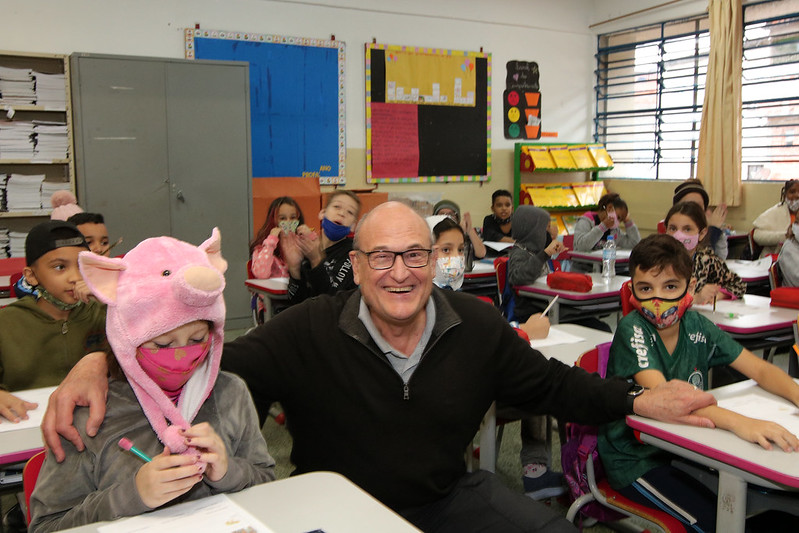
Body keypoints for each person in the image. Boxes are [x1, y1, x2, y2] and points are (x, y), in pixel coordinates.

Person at [44, 202, 717, 533]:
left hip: (448, 498)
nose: (401, 272)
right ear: (356, 265)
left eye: (416, 255)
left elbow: (555, 386)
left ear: (437, 259)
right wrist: (101, 358)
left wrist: (633, 400)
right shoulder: (307, 328)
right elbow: (208, 359)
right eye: (382, 257)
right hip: (339, 510)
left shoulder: (475, 325)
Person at [30, 229, 275, 532]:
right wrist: (132, 495)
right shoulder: (90, 410)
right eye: (162, 345)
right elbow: (46, 525)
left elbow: (268, 482)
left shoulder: (230, 392)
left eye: (198, 338)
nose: (181, 356)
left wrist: (229, 472)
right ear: (127, 339)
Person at [599, 234, 799, 531]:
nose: (658, 299)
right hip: (635, 460)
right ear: (631, 292)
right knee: (712, 521)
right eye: (645, 288)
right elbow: (669, 397)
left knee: (754, 504)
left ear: (689, 287)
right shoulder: (632, 329)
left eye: (670, 286)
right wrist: (742, 423)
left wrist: (796, 394)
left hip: (684, 451)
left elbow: (760, 369)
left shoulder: (698, 326)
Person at [0, 220, 106, 423]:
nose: (75, 277)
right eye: (60, 267)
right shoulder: (6, 323)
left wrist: (113, 301)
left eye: (82, 266)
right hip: (26, 427)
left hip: (95, 423)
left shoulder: (103, 313)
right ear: (31, 276)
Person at [284, 190, 361, 304]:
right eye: (337, 206)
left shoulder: (353, 254)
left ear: (353, 226)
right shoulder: (307, 246)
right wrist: (294, 269)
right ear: (322, 213)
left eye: (350, 212)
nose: (342, 213)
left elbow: (332, 301)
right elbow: (295, 302)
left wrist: (316, 260)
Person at [665, 201, 745, 305]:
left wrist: (719, 294)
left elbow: (738, 285)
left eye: (687, 229)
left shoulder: (706, 259)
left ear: (702, 233)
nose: (678, 235)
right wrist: (695, 298)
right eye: (673, 228)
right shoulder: (657, 260)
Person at [507, 205, 566, 323]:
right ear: (533, 230)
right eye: (546, 228)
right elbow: (518, 277)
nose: (549, 232)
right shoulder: (519, 252)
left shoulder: (536, 250)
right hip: (531, 312)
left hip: (548, 304)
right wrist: (545, 254)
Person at [249, 196, 307, 279]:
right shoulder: (263, 247)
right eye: (282, 218)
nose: (288, 222)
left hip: (296, 290)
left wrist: (310, 238)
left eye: (293, 217)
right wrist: (271, 243)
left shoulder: (301, 242)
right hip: (271, 291)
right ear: (273, 220)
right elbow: (261, 274)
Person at [572, 192, 640, 263]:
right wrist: (603, 227)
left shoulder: (614, 231)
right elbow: (581, 247)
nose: (618, 222)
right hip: (583, 267)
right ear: (609, 208)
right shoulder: (586, 221)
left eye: (621, 220)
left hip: (604, 268)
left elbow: (634, 244)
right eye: (618, 217)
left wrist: (628, 222)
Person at [670, 179, 729, 260]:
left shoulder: (711, 231)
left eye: (698, 206)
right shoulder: (672, 232)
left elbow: (715, 263)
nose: (693, 211)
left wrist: (713, 231)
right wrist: (714, 230)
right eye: (687, 205)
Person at [753, 179, 799, 258]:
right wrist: (784, 236)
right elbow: (757, 236)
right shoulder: (775, 212)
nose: (797, 195)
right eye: (792, 192)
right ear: (784, 196)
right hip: (776, 259)